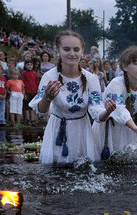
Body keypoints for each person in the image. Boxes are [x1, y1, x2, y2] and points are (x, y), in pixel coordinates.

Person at [29, 30, 116, 164]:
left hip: (82, 131)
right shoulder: (49, 77)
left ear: (82, 51)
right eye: (66, 49)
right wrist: (47, 97)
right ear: (58, 51)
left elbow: (97, 113)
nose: (72, 53)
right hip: (57, 129)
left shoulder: (91, 79)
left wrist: (107, 111)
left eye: (76, 49)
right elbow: (41, 111)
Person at [22, 59, 37, 125]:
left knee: (32, 107)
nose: (30, 66)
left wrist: (37, 92)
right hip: (27, 92)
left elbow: (36, 83)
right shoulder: (24, 73)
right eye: (28, 65)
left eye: (31, 65)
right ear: (25, 66)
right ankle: (28, 120)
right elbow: (23, 83)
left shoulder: (34, 74)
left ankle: (33, 119)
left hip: (34, 92)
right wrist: (24, 92)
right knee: (27, 106)